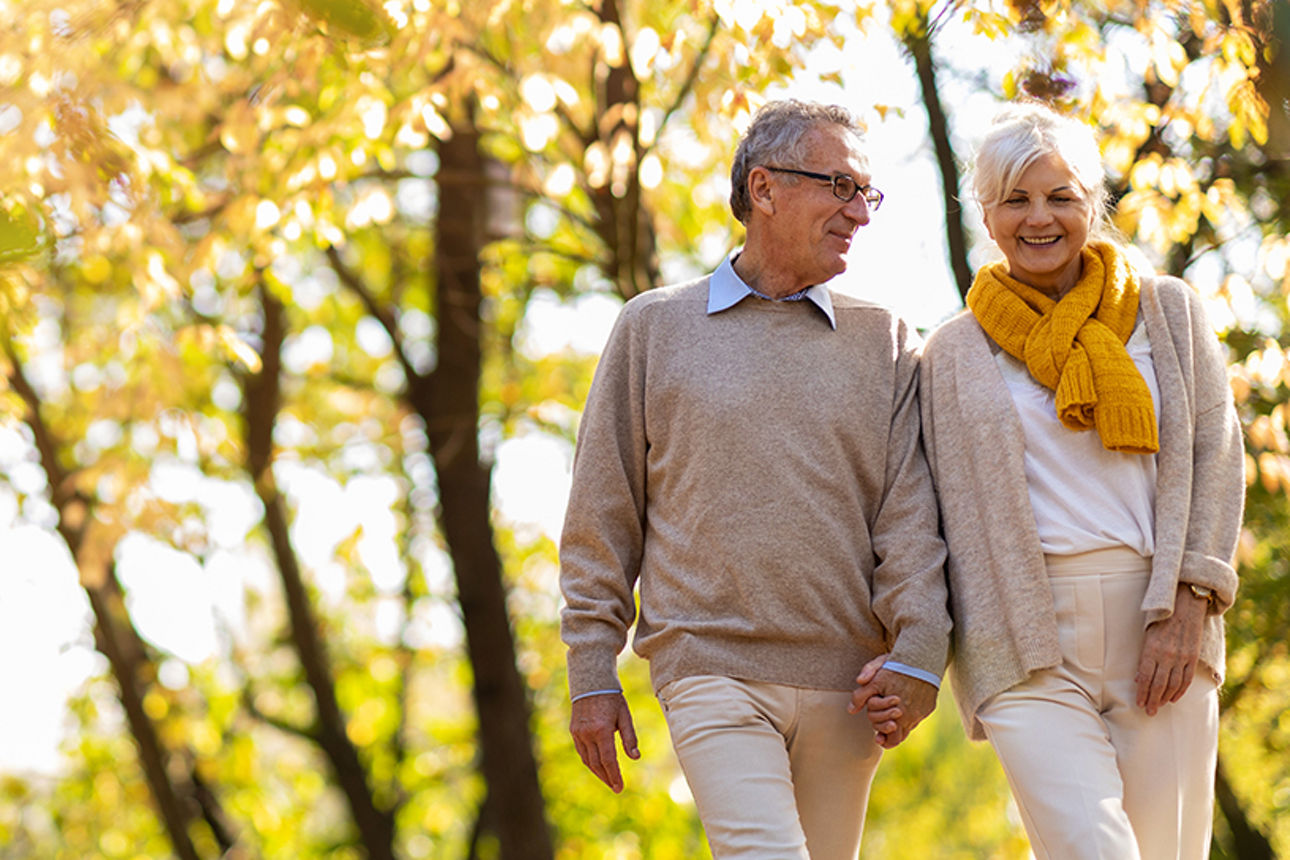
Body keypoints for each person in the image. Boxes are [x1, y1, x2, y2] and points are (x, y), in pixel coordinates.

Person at [558, 98, 951, 859]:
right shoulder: (653, 328)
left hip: (853, 686)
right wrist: (590, 671)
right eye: (840, 186)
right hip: (711, 666)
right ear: (764, 189)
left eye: (867, 192)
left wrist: (918, 653)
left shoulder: (886, 340)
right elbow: (601, 514)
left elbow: (911, 514)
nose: (860, 213)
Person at [911, 102, 1244, 859]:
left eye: (1061, 197)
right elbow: (916, 512)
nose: (1040, 218)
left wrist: (1191, 601)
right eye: (1016, 200)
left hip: (1161, 621)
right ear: (987, 216)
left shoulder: (1168, 313)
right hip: (1022, 639)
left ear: (1092, 206)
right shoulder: (951, 354)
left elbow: (1219, 457)